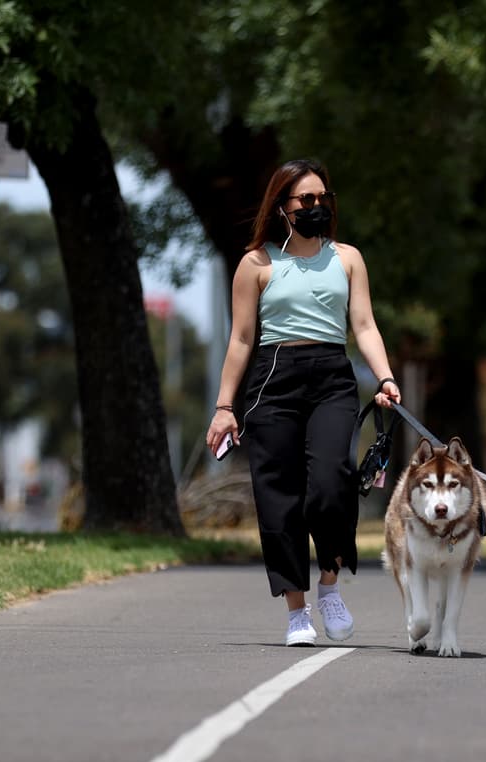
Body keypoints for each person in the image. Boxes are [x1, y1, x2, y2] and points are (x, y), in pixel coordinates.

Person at [206, 158, 401, 647]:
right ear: (282, 207)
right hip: (273, 380)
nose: (317, 207)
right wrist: (224, 407)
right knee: (279, 498)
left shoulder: (348, 258)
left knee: (332, 481)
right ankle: (298, 612)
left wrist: (385, 376)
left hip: (332, 378)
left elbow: (363, 326)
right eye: (306, 200)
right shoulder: (256, 264)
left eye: (323, 199)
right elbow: (242, 339)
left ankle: (330, 584)